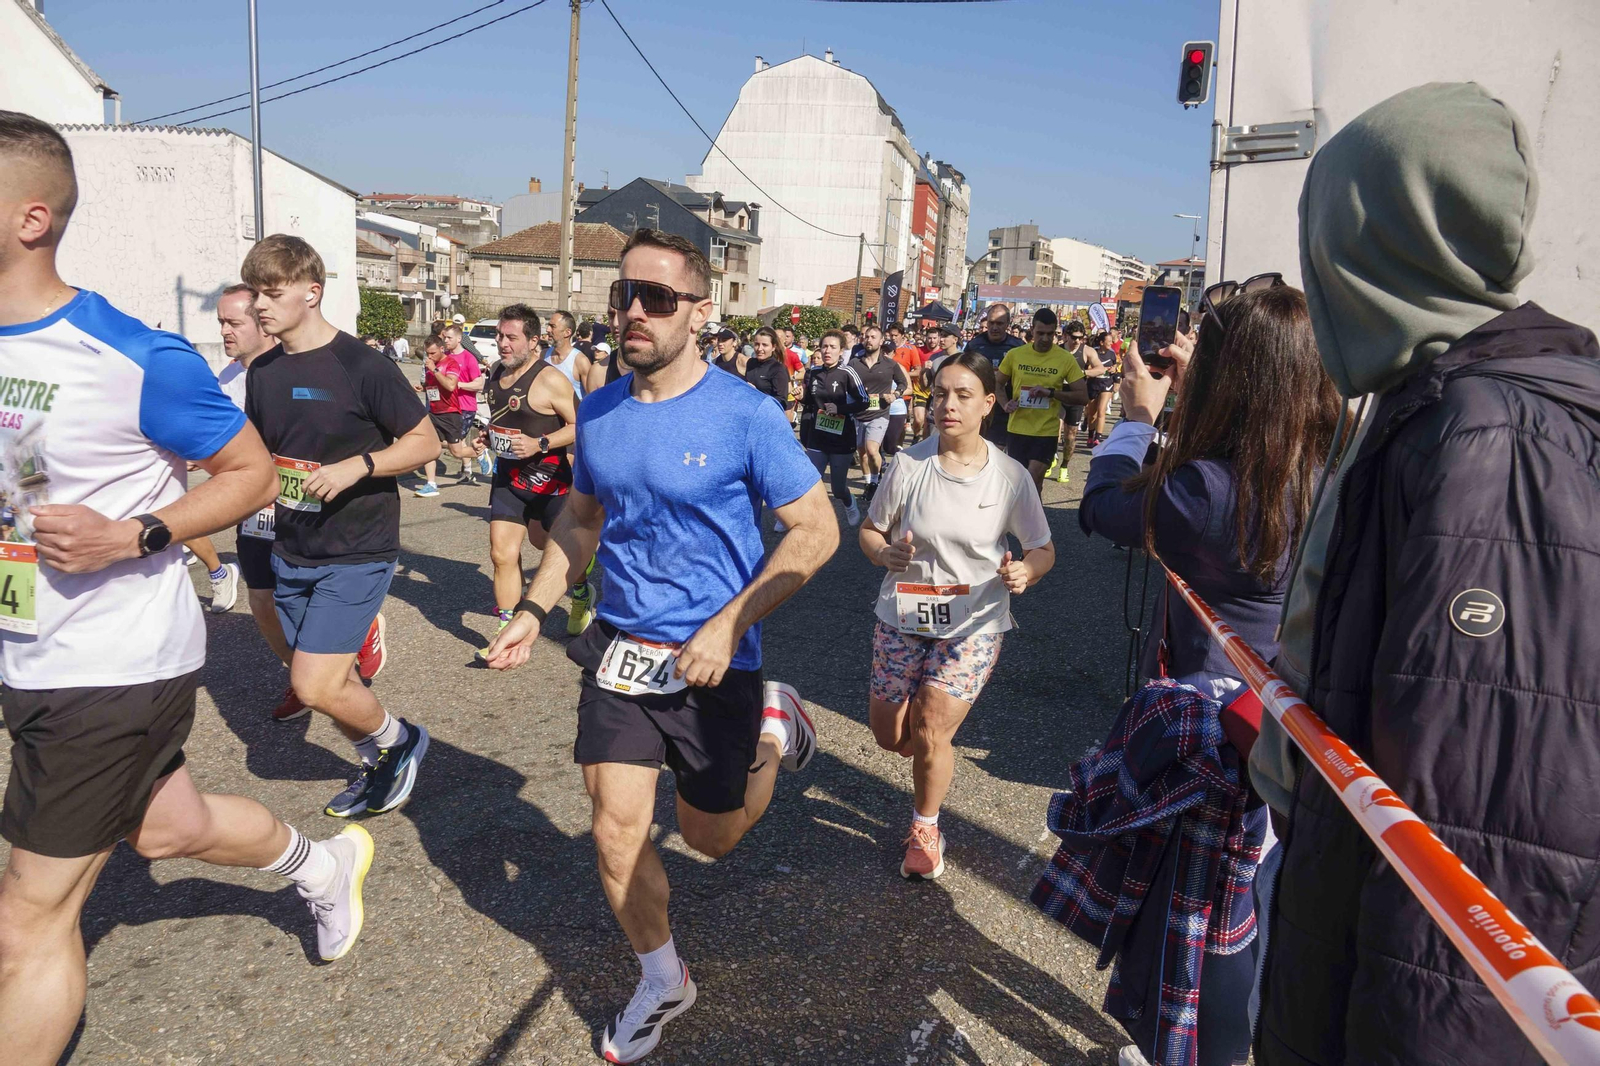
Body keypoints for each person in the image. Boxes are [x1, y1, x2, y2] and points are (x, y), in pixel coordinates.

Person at [0, 114, 373, 1066]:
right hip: (23, 647)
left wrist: (137, 531)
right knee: (169, 829)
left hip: (111, 663)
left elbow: (248, 473)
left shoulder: (132, 356)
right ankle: (318, 862)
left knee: (25, 922)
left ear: (31, 218)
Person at [1250, 83, 1600, 1066]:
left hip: (1422, 999)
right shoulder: (1441, 399)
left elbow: (1480, 820)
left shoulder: (1490, 434)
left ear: (1374, 249)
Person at [482, 228, 838, 1063]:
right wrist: (536, 607)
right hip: (621, 650)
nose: (634, 312)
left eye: (658, 298)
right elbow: (580, 519)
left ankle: (774, 732)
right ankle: (662, 976)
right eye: (624, 296)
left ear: (701, 312)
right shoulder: (599, 411)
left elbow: (815, 530)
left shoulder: (745, 414)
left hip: (719, 659)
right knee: (614, 831)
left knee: (712, 838)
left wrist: (730, 622)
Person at [1077, 282, 1343, 1066]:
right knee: (1258, 910)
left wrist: (1135, 417)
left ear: (1229, 375)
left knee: (1200, 926)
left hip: (1217, 740)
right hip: (1303, 731)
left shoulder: (1210, 489)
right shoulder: (1334, 466)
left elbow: (1105, 507)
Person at [243, 234, 437, 819]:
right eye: (255, 293)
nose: (259, 306)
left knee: (314, 685)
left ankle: (401, 742)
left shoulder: (361, 364)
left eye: (271, 292)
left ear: (312, 291)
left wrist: (361, 465)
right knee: (332, 679)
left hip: (357, 547)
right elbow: (260, 456)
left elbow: (426, 440)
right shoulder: (264, 371)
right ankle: (377, 760)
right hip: (292, 546)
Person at [859, 352, 1054, 880]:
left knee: (931, 729)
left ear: (989, 404)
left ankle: (926, 828)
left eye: (964, 395)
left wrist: (1026, 574)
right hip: (903, 614)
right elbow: (870, 530)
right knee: (889, 734)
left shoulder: (1010, 476)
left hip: (975, 622)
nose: (948, 405)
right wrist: (883, 554)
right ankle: (922, 757)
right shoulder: (908, 465)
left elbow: (1041, 547)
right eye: (941, 393)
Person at [214, 282, 337, 724]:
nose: (225, 332)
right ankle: (301, 679)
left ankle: (344, 647)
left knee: (304, 598)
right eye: (221, 323)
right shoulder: (226, 377)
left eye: (234, 322)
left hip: (300, 503)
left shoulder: (291, 371)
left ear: (263, 325)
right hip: (254, 509)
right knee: (263, 604)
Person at [475, 304, 581, 656]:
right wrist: (487, 437)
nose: (503, 344)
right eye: (499, 336)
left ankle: (581, 591)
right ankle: (507, 630)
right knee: (502, 553)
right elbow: (503, 423)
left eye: (511, 337)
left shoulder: (550, 379)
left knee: (548, 548)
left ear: (534, 341)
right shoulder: (494, 373)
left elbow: (581, 426)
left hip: (552, 483)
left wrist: (540, 443)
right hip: (509, 479)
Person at [995, 309, 1092, 491]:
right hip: (1018, 429)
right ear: (1032, 330)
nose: (1045, 339)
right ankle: (1023, 518)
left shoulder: (1065, 359)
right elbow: (998, 384)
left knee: (1033, 480)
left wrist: (1051, 393)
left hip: (1046, 432)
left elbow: (1082, 396)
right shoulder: (1016, 355)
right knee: (1017, 484)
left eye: (1050, 334)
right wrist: (1005, 403)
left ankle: (1032, 518)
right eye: (1040, 333)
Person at [799, 330, 870, 526]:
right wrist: (800, 396)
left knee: (838, 489)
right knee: (811, 483)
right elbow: (809, 401)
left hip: (841, 438)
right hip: (817, 436)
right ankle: (812, 521)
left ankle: (849, 502)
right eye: (824, 346)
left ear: (841, 351)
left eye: (832, 347)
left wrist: (840, 409)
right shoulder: (813, 372)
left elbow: (863, 401)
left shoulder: (847, 373)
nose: (827, 351)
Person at [851, 325, 910, 499]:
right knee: (861, 452)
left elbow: (903, 383)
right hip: (859, 414)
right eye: (867, 337)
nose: (869, 340)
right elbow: (844, 383)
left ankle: (876, 481)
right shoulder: (855, 363)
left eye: (873, 337)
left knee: (871, 449)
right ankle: (869, 483)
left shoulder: (890, 364)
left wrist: (895, 395)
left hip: (880, 413)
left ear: (881, 341)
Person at [1044, 320, 1105, 483]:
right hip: (1058, 395)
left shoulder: (1087, 351)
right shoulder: (1057, 350)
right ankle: (1051, 458)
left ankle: (1064, 466)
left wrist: (1082, 372)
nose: (1077, 341)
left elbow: (1100, 368)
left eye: (1080, 337)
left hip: (1076, 397)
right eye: (1073, 337)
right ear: (1065, 336)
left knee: (1070, 435)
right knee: (1054, 429)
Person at [413, 334, 467, 498]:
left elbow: (450, 386)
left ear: (442, 349)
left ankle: (479, 452)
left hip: (450, 413)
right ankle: (431, 484)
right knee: (429, 446)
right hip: (434, 412)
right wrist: (422, 388)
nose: (429, 357)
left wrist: (434, 370)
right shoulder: (430, 366)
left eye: (433, 353)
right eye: (427, 354)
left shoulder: (451, 363)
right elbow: (433, 387)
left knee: (456, 452)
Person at [964, 304, 1024, 444]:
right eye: (991, 322)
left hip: (1007, 404)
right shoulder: (974, 345)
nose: (994, 327)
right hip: (979, 403)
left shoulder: (1018, 346)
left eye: (999, 323)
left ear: (1008, 324)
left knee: (1002, 448)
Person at [443, 324, 491, 481]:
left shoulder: (468, 358)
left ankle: (478, 452)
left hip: (465, 406)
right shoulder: (444, 357)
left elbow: (479, 384)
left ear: (459, 339)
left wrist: (459, 385)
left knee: (451, 442)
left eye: (449, 337)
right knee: (457, 441)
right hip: (447, 406)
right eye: (444, 337)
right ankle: (468, 472)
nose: (446, 340)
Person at [890, 323, 929, 442]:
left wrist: (901, 374)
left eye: (895, 335)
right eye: (891, 335)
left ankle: (899, 447)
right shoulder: (885, 348)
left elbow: (918, 371)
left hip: (903, 392)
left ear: (902, 335)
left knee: (900, 423)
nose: (893, 338)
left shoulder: (911, 349)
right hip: (885, 389)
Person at [544, 309, 593, 402]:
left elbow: (591, 399)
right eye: (548, 325)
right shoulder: (544, 355)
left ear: (567, 332)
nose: (547, 330)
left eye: (552, 326)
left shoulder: (580, 361)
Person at [1083, 330, 1119, 447]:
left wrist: (1114, 369)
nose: (1111, 343)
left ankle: (1098, 437)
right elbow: (1087, 367)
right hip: (1093, 384)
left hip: (1106, 383)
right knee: (1092, 413)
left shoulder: (1112, 354)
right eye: (1108, 341)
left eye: (1111, 341)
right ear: (1102, 342)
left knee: (1101, 410)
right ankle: (1090, 435)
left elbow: (1116, 366)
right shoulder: (1093, 353)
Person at [744, 326, 791, 412]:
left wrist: (757, 394)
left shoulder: (778, 368)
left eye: (765, 345)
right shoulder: (751, 363)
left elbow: (782, 401)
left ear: (773, 347)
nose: (759, 349)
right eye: (757, 344)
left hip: (767, 416)